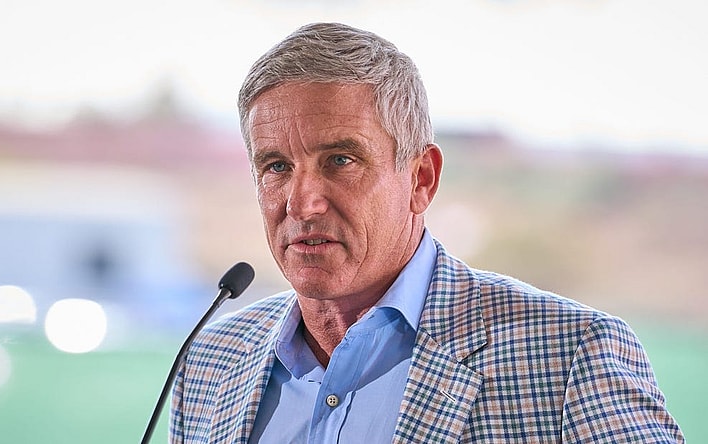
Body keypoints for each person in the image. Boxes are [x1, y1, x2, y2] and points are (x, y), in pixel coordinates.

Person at [170, 22, 684, 443]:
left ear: (421, 179)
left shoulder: (573, 356)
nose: (301, 203)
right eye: (277, 166)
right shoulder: (209, 362)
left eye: (340, 160)